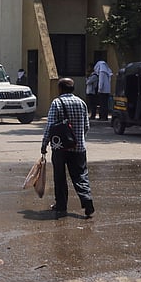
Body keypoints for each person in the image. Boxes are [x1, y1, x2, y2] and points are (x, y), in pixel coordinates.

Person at [41, 77, 94, 218]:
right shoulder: (81, 103)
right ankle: (87, 200)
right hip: (78, 147)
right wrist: (78, 139)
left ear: (60, 89)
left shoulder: (57, 103)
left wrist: (44, 144)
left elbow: (50, 127)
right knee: (81, 175)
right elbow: (86, 126)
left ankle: (61, 205)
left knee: (60, 177)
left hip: (60, 148)